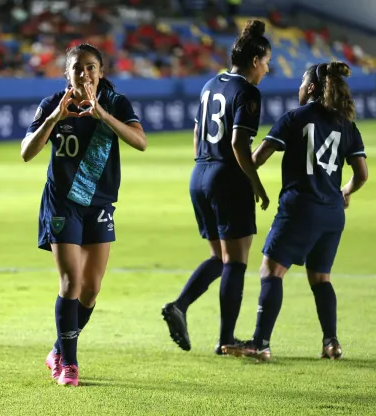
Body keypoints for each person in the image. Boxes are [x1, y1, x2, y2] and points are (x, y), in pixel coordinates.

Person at [222, 62, 369, 361]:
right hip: (332, 214)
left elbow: (258, 158)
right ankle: (331, 343)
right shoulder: (347, 125)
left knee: (271, 271)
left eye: (302, 82)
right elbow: (362, 174)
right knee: (321, 278)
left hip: (299, 208)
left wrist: (240, 167)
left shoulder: (295, 118)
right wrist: (346, 190)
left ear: (312, 87)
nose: (299, 87)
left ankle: (260, 343)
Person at [20, 43, 147, 386]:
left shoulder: (116, 102)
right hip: (62, 204)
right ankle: (70, 365)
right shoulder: (53, 104)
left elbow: (140, 141)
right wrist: (53, 118)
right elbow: (26, 152)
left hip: (99, 203)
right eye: (78, 68)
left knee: (91, 290)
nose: (85, 73)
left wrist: (103, 116)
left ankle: (57, 350)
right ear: (68, 73)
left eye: (91, 67)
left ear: (101, 71)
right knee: (71, 283)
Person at [161, 20, 271, 355]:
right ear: (255, 61)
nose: (268, 67)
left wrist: (206, 164)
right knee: (236, 261)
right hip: (228, 179)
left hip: (201, 174)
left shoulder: (211, 84)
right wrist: (256, 183)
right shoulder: (248, 92)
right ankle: (226, 339)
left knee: (218, 257)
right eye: (266, 61)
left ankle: (180, 305)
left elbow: (198, 134)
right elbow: (239, 143)